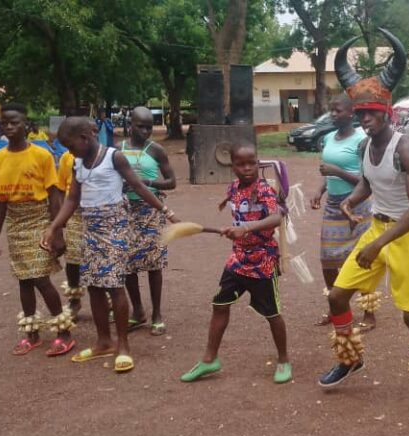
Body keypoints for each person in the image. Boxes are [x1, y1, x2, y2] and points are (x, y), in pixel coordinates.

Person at [319, 28, 409, 415]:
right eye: (360, 114)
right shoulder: (364, 146)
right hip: (377, 227)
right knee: (339, 296)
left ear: (387, 111)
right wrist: (351, 202)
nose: (366, 119)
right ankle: (350, 358)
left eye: (372, 113)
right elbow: (368, 184)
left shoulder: (404, 148)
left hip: (404, 235)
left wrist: (378, 243)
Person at [41, 116, 178, 373]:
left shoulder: (114, 157)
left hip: (115, 227)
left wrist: (166, 211)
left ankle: (123, 345)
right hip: (90, 229)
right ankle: (103, 342)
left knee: (115, 286)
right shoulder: (78, 163)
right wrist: (54, 226)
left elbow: (137, 185)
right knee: (94, 286)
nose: (69, 152)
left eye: (70, 146)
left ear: (85, 138)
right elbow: (72, 200)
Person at [180, 142, 291, 384]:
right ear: (233, 166)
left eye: (251, 163)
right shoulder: (234, 188)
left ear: (257, 162)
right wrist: (230, 225)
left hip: (263, 261)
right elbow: (236, 207)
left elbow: (276, 216)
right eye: (241, 164)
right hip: (238, 259)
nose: (247, 168)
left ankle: (283, 360)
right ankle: (210, 360)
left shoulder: (263, 190)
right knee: (220, 305)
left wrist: (246, 228)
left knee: (272, 314)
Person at [0, 103, 76, 357]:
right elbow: (0, 200)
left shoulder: (41, 156)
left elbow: (54, 195)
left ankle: (64, 332)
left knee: (40, 277)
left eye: (14, 122)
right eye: (5, 122)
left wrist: (57, 230)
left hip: (40, 219)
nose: (9, 126)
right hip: (15, 224)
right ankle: (32, 333)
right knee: (24, 279)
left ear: (26, 124)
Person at [309, 94, 377, 330]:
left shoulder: (362, 140)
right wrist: (320, 190)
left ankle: (369, 313)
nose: (333, 114)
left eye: (338, 110)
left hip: (357, 205)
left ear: (351, 113)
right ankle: (337, 306)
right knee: (327, 261)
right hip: (333, 206)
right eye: (332, 110)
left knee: (361, 259)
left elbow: (366, 180)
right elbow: (327, 175)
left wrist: (337, 171)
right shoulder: (328, 138)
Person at [122, 106, 176, 336]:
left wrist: (146, 183)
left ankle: (157, 314)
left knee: (154, 263)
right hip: (125, 211)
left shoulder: (156, 150)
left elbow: (172, 181)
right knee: (127, 264)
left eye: (149, 127)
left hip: (152, 210)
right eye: (140, 126)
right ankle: (138, 311)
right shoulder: (117, 150)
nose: (145, 131)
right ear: (130, 124)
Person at [56, 150, 84, 319]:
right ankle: (74, 300)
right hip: (74, 212)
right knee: (73, 259)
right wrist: (62, 214)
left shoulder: (103, 155)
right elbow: (60, 189)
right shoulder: (67, 157)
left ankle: (109, 301)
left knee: (100, 257)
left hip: (98, 211)